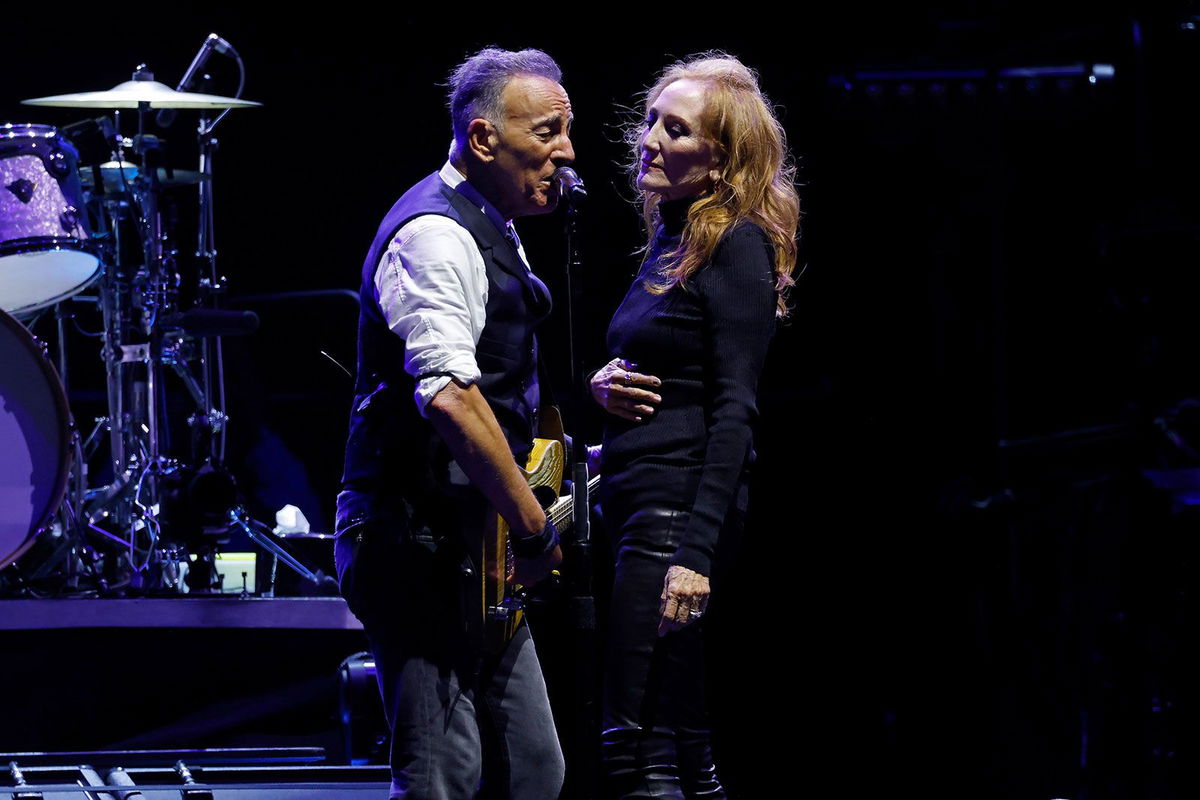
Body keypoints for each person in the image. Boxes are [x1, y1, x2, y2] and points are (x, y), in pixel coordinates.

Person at [334, 47, 573, 800]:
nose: (567, 152)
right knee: (443, 774)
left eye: (568, 130)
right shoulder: (435, 236)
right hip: (415, 545)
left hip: (476, 544)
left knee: (535, 769)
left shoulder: (494, 220)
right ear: (482, 140)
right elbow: (449, 398)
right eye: (548, 132)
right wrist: (535, 527)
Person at [589, 54, 800, 798]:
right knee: (678, 739)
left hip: (676, 517)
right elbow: (670, 371)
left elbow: (736, 407)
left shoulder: (735, 243)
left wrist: (694, 556)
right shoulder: (674, 236)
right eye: (651, 121)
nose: (649, 139)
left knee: (635, 741)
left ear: (718, 162)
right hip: (643, 501)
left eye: (674, 130)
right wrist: (603, 382)